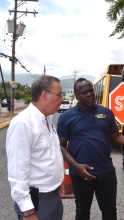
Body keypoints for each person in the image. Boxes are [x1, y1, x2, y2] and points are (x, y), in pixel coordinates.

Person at [57, 78, 124, 220]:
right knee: (82, 212)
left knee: (110, 212)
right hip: (80, 174)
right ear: (76, 95)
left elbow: (115, 137)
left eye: (91, 90)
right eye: (84, 92)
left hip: (106, 172)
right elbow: (61, 145)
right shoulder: (66, 117)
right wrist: (76, 167)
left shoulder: (107, 113)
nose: (90, 94)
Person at [6, 75, 65, 220]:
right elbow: (17, 172)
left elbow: (51, 154)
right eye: (59, 95)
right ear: (45, 95)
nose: (62, 99)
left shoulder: (47, 118)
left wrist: (59, 180)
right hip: (37, 202)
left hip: (53, 194)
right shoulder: (23, 123)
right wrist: (28, 212)